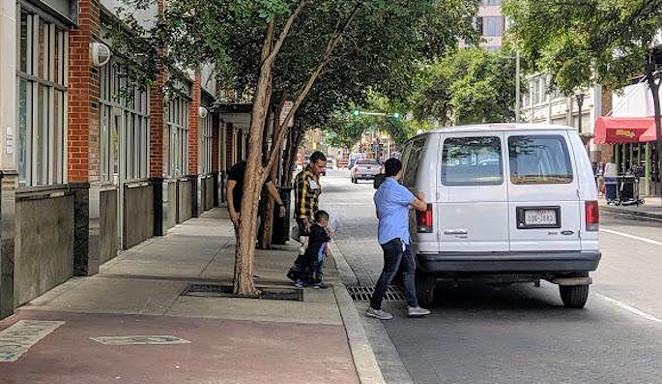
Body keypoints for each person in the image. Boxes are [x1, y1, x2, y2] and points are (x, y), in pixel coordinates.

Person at [366, 158, 430, 320]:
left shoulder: (380, 191)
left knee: (409, 268)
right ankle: (374, 306)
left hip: (392, 236)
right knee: (389, 272)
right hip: (396, 238)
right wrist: (421, 197)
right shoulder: (399, 189)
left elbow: (381, 213)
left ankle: (413, 305)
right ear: (400, 172)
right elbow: (421, 207)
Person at [226, 160, 286, 233]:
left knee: (253, 232)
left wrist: (280, 204)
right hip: (239, 207)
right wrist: (232, 211)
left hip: (255, 208)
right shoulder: (238, 168)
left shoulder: (260, 169)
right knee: (241, 233)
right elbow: (229, 189)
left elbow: (271, 187)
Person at [288, 210, 332, 289]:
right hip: (315, 255)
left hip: (316, 254)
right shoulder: (320, 231)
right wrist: (329, 235)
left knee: (317, 269)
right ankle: (302, 281)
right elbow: (324, 239)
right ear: (323, 221)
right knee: (311, 269)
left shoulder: (313, 228)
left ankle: (317, 281)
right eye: (327, 221)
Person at [294, 151, 327, 235]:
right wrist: (305, 221)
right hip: (307, 219)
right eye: (319, 166)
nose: (321, 169)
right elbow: (301, 200)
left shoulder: (315, 176)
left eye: (323, 167)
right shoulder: (304, 177)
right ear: (312, 164)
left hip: (314, 217)